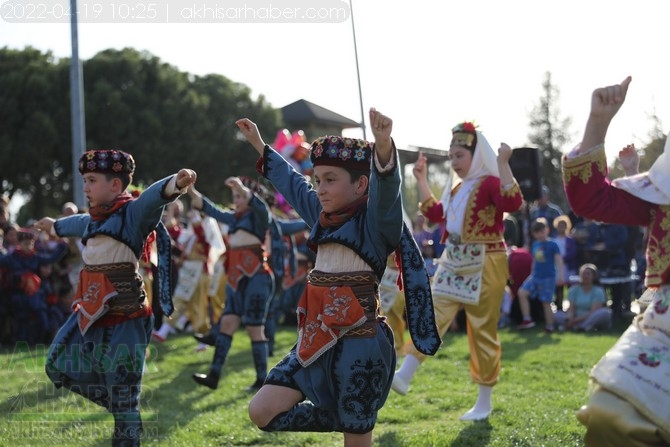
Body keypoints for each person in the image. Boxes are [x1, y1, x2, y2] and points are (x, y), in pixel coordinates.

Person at [236, 108, 439, 447]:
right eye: (317, 180)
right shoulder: (319, 213)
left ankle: (356, 421)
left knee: (356, 441)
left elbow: (387, 192)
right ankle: (350, 417)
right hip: (314, 339)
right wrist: (259, 143)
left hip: (361, 342)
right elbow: (290, 180)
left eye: (330, 180)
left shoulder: (376, 223)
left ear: (361, 184)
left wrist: (384, 146)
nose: (320, 189)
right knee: (262, 411)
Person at [34, 149, 197, 446]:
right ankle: (123, 409)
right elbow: (76, 223)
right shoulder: (93, 220)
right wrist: (54, 225)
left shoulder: (132, 214)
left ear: (115, 185)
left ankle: (125, 412)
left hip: (126, 318)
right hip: (89, 314)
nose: (85, 187)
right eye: (84, 180)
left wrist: (175, 182)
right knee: (56, 364)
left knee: (124, 397)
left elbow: (151, 198)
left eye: (91, 180)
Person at [563, 76, 670, 446]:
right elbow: (592, 199)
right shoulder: (664, 188)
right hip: (664, 327)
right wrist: (599, 121)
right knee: (612, 412)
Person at [392, 121, 523, 422]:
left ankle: (484, 401)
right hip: (454, 258)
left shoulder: (490, 183)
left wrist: (504, 164)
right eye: (451, 157)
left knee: (481, 329)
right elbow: (436, 213)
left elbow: (512, 201)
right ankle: (406, 373)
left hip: (486, 259)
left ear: (475, 156)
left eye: (459, 156)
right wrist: (421, 179)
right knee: (433, 312)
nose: (454, 162)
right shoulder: (457, 189)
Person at [188, 178, 275, 391]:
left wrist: (241, 188)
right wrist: (190, 190)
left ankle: (261, 379)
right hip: (236, 278)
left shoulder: (260, 217)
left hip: (257, 276)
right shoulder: (233, 218)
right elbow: (208, 207)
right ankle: (214, 375)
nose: (236, 200)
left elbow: (260, 206)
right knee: (227, 323)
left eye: (239, 197)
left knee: (255, 328)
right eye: (234, 196)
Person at [516, 218, 564, 332]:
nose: (539, 235)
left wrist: (560, 276)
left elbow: (558, 260)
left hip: (548, 277)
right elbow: (535, 260)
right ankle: (527, 319)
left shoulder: (553, 244)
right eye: (536, 233)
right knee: (522, 293)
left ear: (547, 230)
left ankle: (549, 326)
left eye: (541, 231)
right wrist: (531, 273)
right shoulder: (535, 244)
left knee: (546, 302)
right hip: (535, 276)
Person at [554, 263, 610, 332]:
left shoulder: (598, 291)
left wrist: (574, 321)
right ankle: (581, 327)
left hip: (590, 317)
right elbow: (571, 309)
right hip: (576, 316)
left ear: (593, 276)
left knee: (604, 313)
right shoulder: (574, 289)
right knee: (556, 314)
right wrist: (570, 318)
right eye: (583, 274)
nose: (585, 276)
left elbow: (593, 312)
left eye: (588, 274)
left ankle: (579, 326)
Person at [552, 214, 578, 311]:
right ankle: (559, 306)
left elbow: (573, 252)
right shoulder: (554, 240)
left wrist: (563, 258)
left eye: (563, 226)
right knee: (559, 288)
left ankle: (572, 307)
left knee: (571, 287)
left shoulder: (570, 240)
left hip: (568, 266)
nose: (561, 228)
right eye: (559, 226)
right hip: (557, 267)